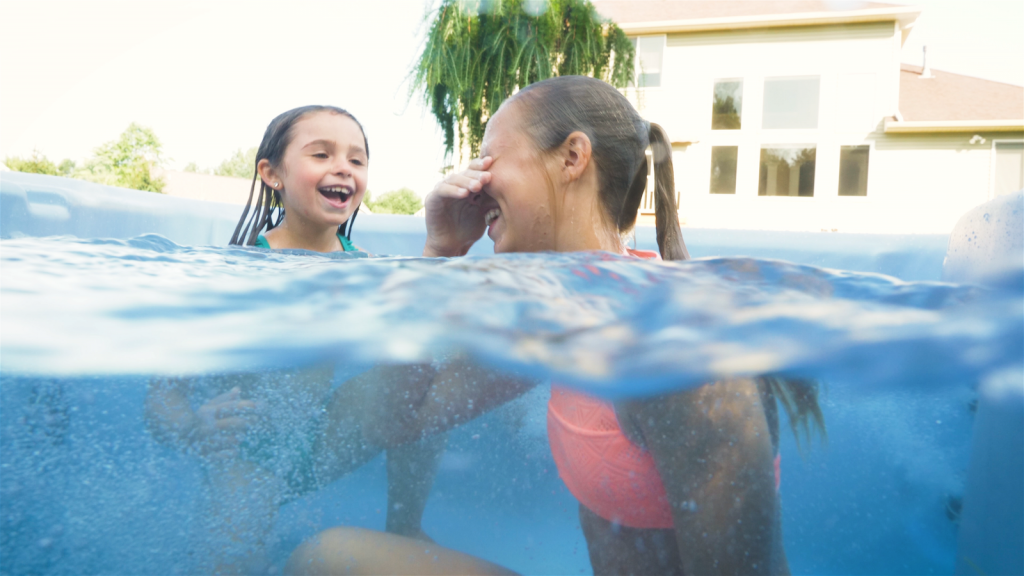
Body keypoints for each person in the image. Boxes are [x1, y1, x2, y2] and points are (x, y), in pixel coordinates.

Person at [290, 76, 823, 574]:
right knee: (325, 557)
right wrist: (441, 252)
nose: (475, 182)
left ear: (572, 157)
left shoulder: (677, 350)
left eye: (488, 159)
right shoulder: (557, 312)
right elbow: (401, 417)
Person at [145, 105, 446, 574]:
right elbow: (163, 393)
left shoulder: (369, 269)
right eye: (321, 154)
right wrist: (192, 427)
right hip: (247, 458)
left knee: (422, 369)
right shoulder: (236, 275)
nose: (343, 167)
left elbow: (425, 327)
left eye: (357, 159)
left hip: (325, 439)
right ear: (272, 174)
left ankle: (404, 527)